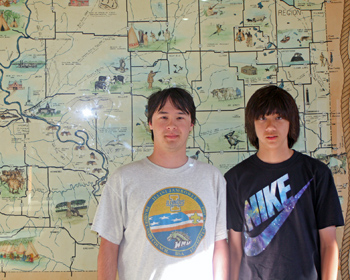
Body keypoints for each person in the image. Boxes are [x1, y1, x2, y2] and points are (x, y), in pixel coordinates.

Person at [92, 87, 228, 280]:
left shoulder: (212, 178)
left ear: (191, 124)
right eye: (163, 117)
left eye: (180, 117)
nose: (171, 125)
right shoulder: (123, 179)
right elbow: (108, 246)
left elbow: (220, 244)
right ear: (150, 123)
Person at [225, 85, 344, 280]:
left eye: (279, 117)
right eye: (262, 118)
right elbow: (234, 248)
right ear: (251, 124)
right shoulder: (234, 179)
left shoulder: (317, 174)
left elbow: (329, 244)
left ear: (292, 123)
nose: (270, 126)